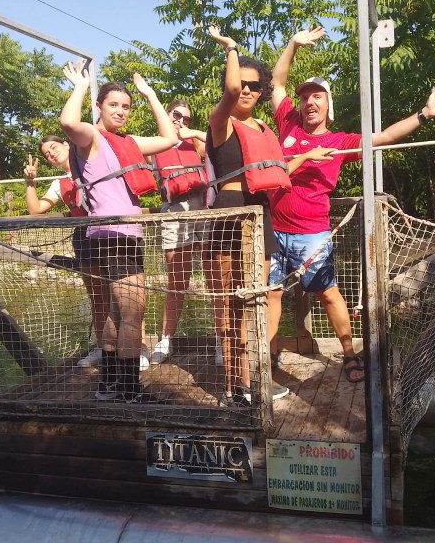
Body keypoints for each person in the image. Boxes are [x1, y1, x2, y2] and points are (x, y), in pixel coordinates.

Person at [268, 26, 435, 383]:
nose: (309, 102)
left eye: (317, 97)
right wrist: (293, 44)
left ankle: (349, 355)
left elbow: (384, 137)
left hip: (312, 234)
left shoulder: (341, 141)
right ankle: (271, 354)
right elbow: (277, 84)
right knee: (271, 294)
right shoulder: (288, 123)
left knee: (328, 295)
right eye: (305, 97)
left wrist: (424, 114)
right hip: (274, 231)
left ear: (328, 105)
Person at [204, 26, 330, 407]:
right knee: (229, 305)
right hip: (229, 216)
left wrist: (306, 156)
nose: (245, 90)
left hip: (262, 219)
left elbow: (275, 172)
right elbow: (229, 91)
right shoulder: (221, 122)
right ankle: (233, 388)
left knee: (254, 304)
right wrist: (231, 48)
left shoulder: (263, 129)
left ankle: (252, 381)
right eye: (241, 83)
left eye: (254, 85)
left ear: (261, 91)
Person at [60, 61, 178, 402]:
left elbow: (170, 138)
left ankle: (109, 384)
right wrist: (81, 87)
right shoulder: (92, 137)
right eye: (113, 105)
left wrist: (150, 95)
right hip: (114, 235)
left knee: (114, 313)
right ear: (99, 106)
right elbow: (68, 122)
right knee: (132, 314)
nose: (121, 111)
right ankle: (129, 389)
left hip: (110, 236)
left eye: (126, 107)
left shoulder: (125, 142)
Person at [23, 135, 108, 369]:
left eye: (54, 147)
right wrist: (30, 182)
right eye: (47, 154)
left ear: (67, 145)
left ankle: (138, 347)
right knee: (98, 297)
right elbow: (35, 209)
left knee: (126, 295)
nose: (51, 153)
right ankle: (103, 347)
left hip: (111, 231)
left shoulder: (92, 164)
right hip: (84, 238)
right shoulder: (58, 184)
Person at [143, 100, 209, 369]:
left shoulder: (195, 142)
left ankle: (221, 340)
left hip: (203, 209)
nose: (182, 121)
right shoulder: (154, 145)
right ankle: (165, 340)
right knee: (177, 281)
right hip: (174, 211)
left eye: (188, 119)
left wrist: (193, 133)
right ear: (166, 114)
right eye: (177, 115)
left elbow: (218, 144)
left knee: (216, 279)